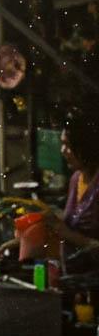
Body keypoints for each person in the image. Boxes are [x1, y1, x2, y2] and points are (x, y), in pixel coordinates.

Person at [50, 107, 99, 274]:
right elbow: (70, 222)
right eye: (62, 144)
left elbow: (70, 232)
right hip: (75, 282)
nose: (63, 151)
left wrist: (68, 235)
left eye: (68, 145)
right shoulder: (75, 179)